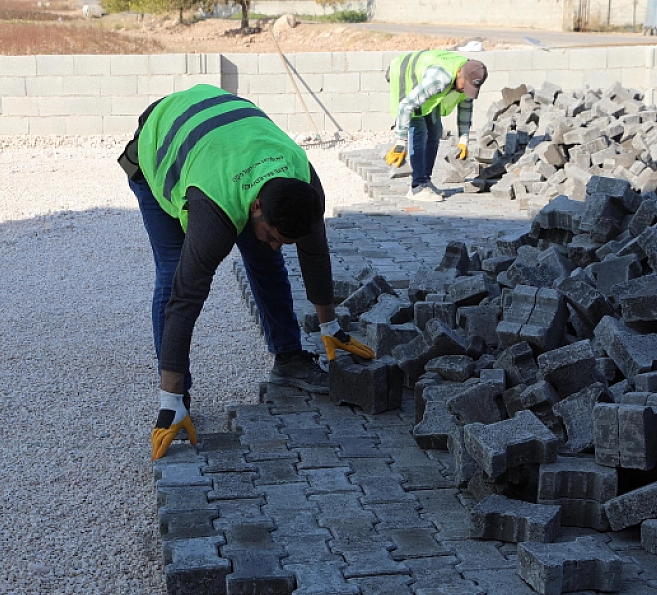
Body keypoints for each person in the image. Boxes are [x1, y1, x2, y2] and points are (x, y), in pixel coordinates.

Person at [120, 84, 376, 461]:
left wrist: (329, 327)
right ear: (256, 207)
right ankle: (177, 400)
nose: (277, 244)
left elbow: (315, 252)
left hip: (227, 140)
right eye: (274, 235)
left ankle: (288, 358)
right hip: (160, 144)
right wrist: (168, 397)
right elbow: (185, 298)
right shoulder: (213, 210)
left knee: (266, 260)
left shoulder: (303, 183)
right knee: (175, 273)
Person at [385, 51, 488, 202]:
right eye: (464, 86)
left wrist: (463, 140)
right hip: (406, 75)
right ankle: (417, 186)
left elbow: (466, 108)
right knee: (419, 130)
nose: (465, 90)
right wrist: (400, 143)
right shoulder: (440, 79)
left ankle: (425, 181)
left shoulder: (469, 77)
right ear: (459, 73)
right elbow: (406, 106)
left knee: (435, 130)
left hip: (426, 82)